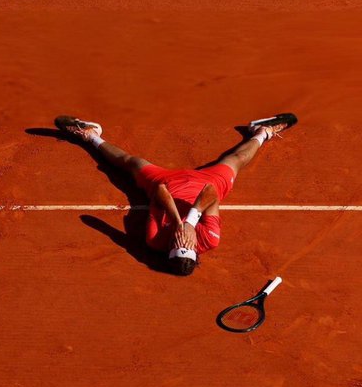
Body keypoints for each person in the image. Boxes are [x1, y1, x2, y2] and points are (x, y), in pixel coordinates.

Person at [54, 112, 298, 275]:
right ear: (196, 250)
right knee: (236, 160)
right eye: (183, 244)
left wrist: (177, 223)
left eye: (174, 244)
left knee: (131, 163)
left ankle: (91, 136)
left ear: (167, 250)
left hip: (165, 182)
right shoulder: (209, 239)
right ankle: (261, 132)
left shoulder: (155, 239)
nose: (178, 241)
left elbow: (160, 192)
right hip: (209, 182)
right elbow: (210, 193)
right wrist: (190, 223)